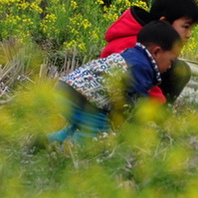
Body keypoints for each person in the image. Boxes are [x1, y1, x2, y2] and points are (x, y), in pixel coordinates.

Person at [49, 21, 181, 144]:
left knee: (82, 128)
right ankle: (68, 152)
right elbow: (137, 106)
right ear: (157, 52)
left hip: (67, 89)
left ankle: (46, 142)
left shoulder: (131, 55)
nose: (170, 67)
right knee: (99, 136)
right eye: (171, 61)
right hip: (83, 98)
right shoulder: (141, 68)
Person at [102, 0, 198, 104]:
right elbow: (140, 78)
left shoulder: (148, 40)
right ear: (165, 23)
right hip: (109, 100)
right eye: (186, 27)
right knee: (177, 69)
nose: (189, 34)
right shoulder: (135, 45)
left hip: (128, 93)